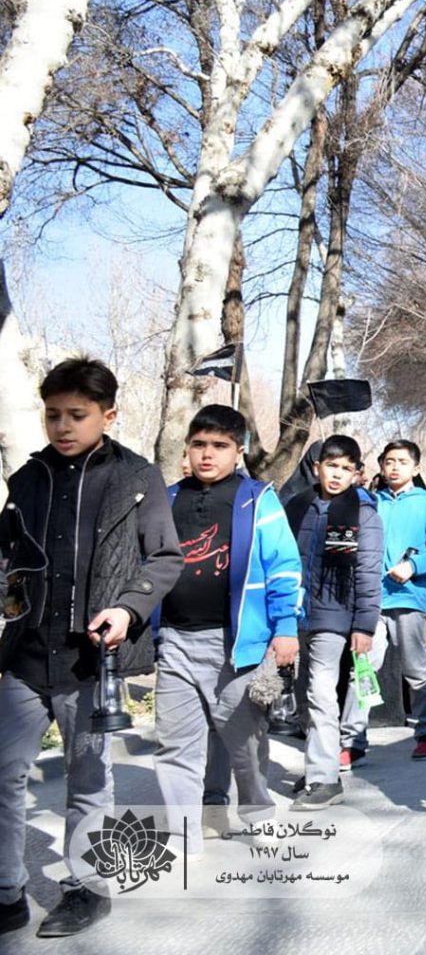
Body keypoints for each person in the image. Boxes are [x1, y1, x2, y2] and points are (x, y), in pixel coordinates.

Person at [0, 358, 183, 938]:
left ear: (108, 415)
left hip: (91, 660)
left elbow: (165, 558)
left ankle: (87, 889)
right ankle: (6, 892)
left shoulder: (137, 477)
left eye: (76, 415)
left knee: (88, 780)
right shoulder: (26, 479)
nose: (62, 426)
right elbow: (9, 559)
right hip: (26, 656)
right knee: (3, 772)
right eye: (53, 414)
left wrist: (128, 609)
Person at [152, 404, 303, 855]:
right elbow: (148, 563)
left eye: (219, 445)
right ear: (187, 448)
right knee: (175, 746)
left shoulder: (258, 499)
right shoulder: (167, 499)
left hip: (238, 647)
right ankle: (185, 835)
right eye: (198, 444)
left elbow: (283, 565)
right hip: (176, 642)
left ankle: (257, 814)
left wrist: (286, 628)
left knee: (245, 743)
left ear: (238, 452)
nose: (207, 454)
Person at [340, 440, 426, 766]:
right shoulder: (371, 503)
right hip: (371, 600)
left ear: (416, 468)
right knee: (363, 670)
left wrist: (413, 566)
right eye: (389, 461)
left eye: (402, 462)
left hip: (409, 598)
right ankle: (352, 742)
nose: (394, 467)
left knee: (416, 670)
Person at [284, 434, 383, 809]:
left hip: (335, 615)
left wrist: (364, 625)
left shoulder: (363, 513)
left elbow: (368, 574)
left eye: (346, 468)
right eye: (331, 466)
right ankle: (318, 766)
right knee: (305, 698)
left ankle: (325, 779)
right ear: (317, 467)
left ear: (357, 473)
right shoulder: (299, 506)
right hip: (298, 615)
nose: (337, 474)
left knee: (321, 694)